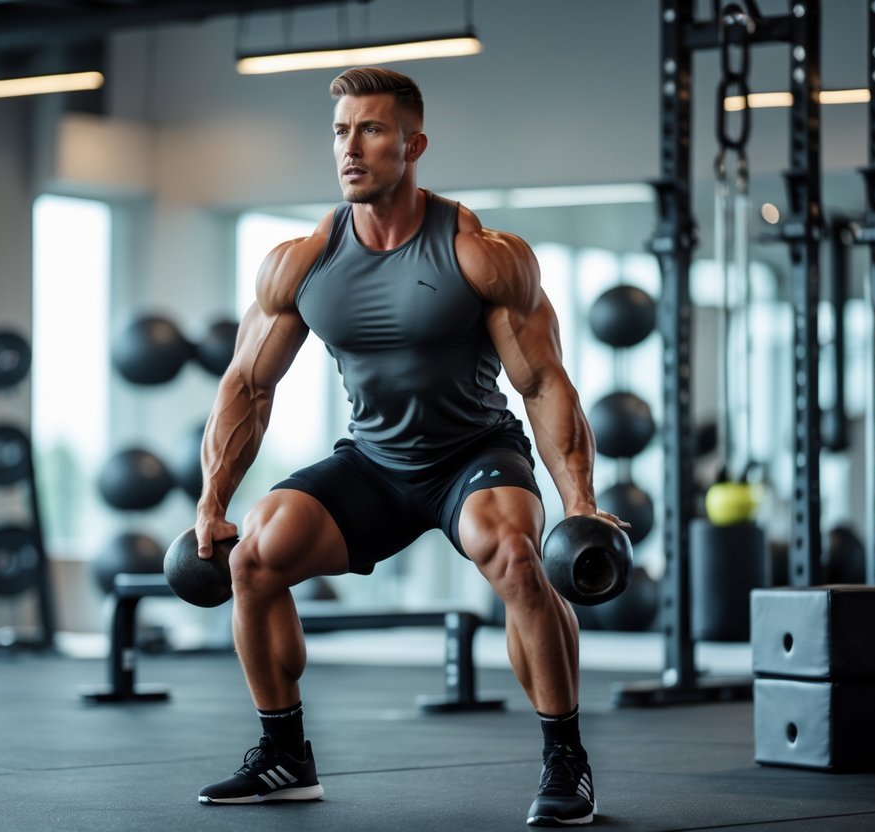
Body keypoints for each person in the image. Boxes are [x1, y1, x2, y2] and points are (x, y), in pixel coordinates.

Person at [193, 66, 620, 827]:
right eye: (339, 131)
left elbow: (543, 382)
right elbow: (247, 386)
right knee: (252, 555)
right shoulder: (301, 263)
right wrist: (212, 501)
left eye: (371, 130)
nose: (349, 148)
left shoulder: (482, 255)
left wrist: (578, 502)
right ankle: (283, 755)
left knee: (518, 557)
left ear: (412, 143)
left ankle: (566, 763)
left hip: (472, 454)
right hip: (374, 463)